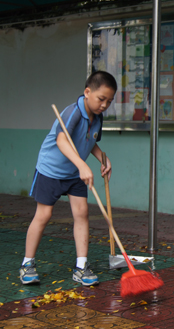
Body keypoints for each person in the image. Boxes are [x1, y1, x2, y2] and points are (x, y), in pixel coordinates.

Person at [19, 71, 117, 286]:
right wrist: (82, 165)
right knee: (43, 215)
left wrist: (103, 158)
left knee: (82, 214)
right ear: (87, 92)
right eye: (101, 99)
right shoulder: (73, 111)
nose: (104, 105)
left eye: (109, 101)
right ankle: (27, 264)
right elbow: (62, 141)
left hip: (74, 173)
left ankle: (81, 266)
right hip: (50, 170)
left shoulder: (98, 119)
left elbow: (90, 141)